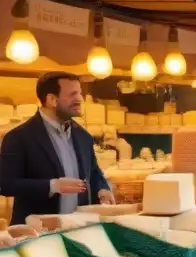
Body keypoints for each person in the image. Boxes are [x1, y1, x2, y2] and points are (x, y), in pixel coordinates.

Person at [0, 72, 115, 225]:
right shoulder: (18, 137)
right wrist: (52, 186)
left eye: (80, 93)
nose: (80, 99)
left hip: (80, 228)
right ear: (52, 100)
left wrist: (102, 189)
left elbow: (93, 171)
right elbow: (6, 184)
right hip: (37, 233)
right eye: (73, 94)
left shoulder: (84, 136)